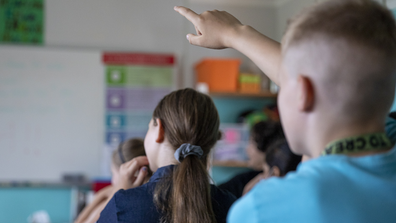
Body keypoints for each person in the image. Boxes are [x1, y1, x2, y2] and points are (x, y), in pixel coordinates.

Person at [175, 0, 396, 222]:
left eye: (283, 85)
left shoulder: (262, 210)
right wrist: (234, 33)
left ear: (303, 93)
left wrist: (235, 33)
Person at [98, 88, 236, 223]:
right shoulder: (232, 207)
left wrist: (119, 194)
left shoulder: (122, 206)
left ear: (159, 130)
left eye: (149, 127)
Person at [75, 138, 149, 223]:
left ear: (128, 172)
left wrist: (112, 193)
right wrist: (103, 193)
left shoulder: (122, 202)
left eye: (113, 173)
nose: (112, 180)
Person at [218, 121, 284, 198]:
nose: (247, 149)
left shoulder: (262, 184)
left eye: (251, 143)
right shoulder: (245, 179)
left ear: (266, 147)